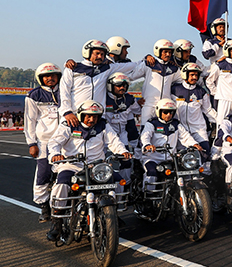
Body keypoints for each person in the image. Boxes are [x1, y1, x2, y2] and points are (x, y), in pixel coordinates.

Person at [47, 100, 132, 241]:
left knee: (119, 182)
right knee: (61, 185)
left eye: (95, 116)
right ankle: (57, 221)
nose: (92, 119)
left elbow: (114, 142)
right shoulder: (68, 124)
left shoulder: (103, 125)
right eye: (88, 116)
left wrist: (122, 152)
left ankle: (112, 215)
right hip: (72, 165)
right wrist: (55, 154)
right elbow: (55, 142)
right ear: (81, 114)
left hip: (96, 167)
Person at [59, 39, 151, 128]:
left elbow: (132, 65)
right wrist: (67, 112)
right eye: (97, 53)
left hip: (97, 117)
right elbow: (64, 91)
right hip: (74, 116)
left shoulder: (107, 68)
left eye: (102, 54)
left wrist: (146, 60)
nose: (100, 56)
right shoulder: (72, 69)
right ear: (88, 52)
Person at [140, 99, 204, 194]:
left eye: (171, 112)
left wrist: (194, 144)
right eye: (165, 112)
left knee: (186, 171)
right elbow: (145, 136)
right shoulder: (152, 123)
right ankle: (149, 198)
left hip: (171, 158)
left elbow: (185, 136)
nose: (168, 115)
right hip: (153, 158)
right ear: (159, 111)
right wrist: (148, 145)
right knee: (151, 173)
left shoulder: (176, 124)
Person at [24, 63, 62, 222]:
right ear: (40, 78)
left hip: (65, 141)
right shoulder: (34, 95)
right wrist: (31, 143)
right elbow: (29, 121)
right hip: (44, 141)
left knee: (66, 173)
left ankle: (63, 204)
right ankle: (44, 205)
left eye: (53, 75)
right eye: (46, 76)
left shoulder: (66, 92)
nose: (50, 78)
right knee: (43, 174)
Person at [171, 62, 216, 169]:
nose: (195, 77)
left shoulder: (201, 92)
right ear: (185, 75)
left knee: (205, 153)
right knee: (180, 157)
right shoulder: (174, 89)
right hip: (181, 129)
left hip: (198, 129)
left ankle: (204, 178)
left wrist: (221, 120)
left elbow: (208, 110)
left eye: (196, 75)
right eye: (192, 75)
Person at [103, 72, 141, 184]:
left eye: (124, 85)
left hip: (122, 134)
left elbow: (137, 110)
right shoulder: (103, 98)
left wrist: (140, 103)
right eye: (119, 85)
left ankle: (125, 186)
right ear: (111, 86)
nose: (122, 88)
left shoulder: (129, 99)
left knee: (126, 162)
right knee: (107, 162)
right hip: (107, 137)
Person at [206, 39, 232, 129]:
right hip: (224, 100)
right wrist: (216, 93)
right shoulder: (220, 65)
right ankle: (219, 143)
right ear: (227, 51)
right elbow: (209, 81)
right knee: (221, 124)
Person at [138, 39, 181, 124]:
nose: (168, 54)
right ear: (158, 51)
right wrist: (133, 100)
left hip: (166, 108)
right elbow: (130, 77)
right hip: (149, 105)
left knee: (165, 133)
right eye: (165, 52)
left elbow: (186, 80)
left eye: (170, 52)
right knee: (145, 131)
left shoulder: (174, 68)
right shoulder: (148, 64)